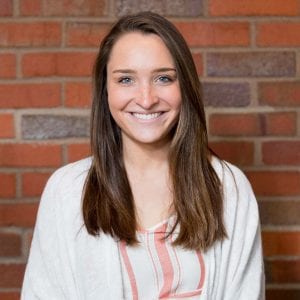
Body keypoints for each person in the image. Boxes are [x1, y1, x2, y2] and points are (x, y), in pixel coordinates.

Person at [21, 12, 265, 300]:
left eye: (163, 78)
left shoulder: (229, 187)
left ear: (184, 86)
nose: (146, 99)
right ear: (106, 90)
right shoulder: (66, 191)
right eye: (126, 79)